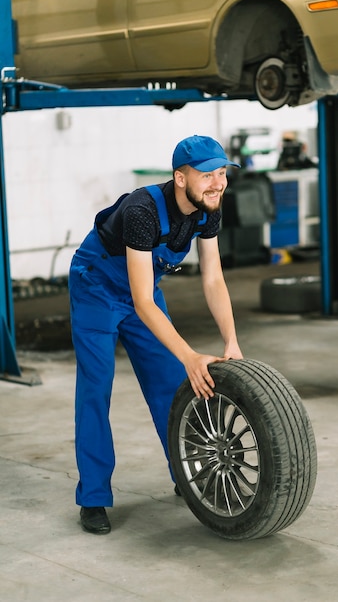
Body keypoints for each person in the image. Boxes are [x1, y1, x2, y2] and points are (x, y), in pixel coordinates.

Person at [69, 135, 243, 535]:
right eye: (207, 175)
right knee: (96, 389)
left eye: (222, 173)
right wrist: (189, 353)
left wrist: (230, 341)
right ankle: (93, 497)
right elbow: (143, 301)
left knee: (171, 385)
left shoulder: (208, 208)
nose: (217, 183)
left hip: (141, 289)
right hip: (97, 286)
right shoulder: (143, 210)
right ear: (180, 178)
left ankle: (185, 474)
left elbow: (213, 278)